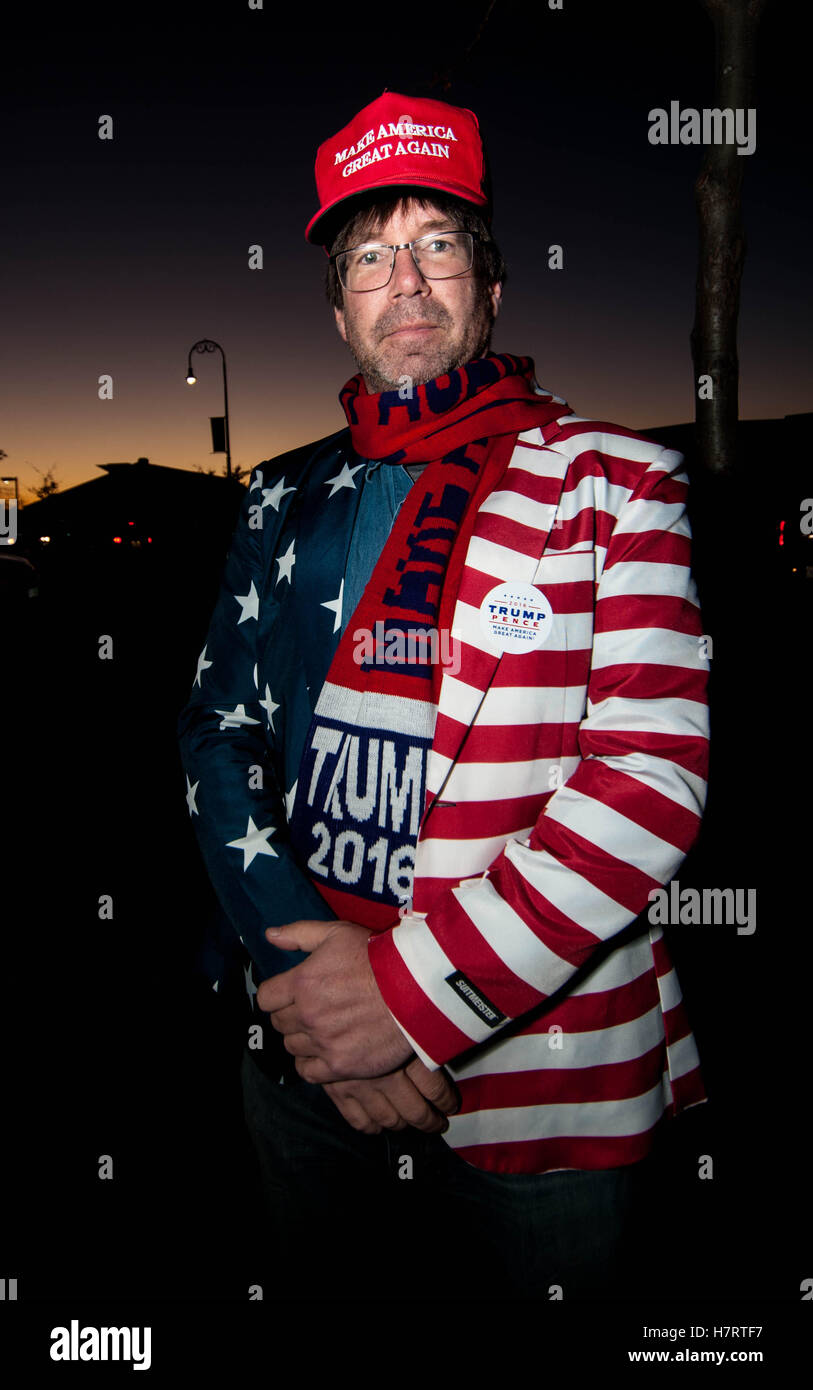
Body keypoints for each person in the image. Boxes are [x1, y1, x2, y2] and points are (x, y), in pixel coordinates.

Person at [177, 90, 710, 1301]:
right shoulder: (275, 495)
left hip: (542, 1085)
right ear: (339, 307)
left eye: (439, 246)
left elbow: (647, 782)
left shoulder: (618, 481)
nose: (406, 281)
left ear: (491, 289)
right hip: (300, 1060)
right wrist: (314, 1003)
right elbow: (218, 730)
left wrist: (405, 1001)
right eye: (371, 255)